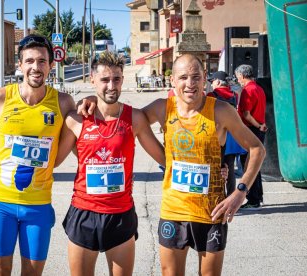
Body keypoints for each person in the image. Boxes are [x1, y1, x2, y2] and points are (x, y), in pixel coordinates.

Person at [78, 54, 251, 276]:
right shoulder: (162, 108)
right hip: (173, 211)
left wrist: (239, 192)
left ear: (205, 78)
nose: (190, 83)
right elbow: (125, 115)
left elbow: (257, 149)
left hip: (211, 212)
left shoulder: (221, 110)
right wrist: (94, 99)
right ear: (172, 81)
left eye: (196, 77)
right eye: (183, 77)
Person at [0, 34, 75, 275]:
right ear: (20, 65)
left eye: (41, 61)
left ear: (51, 65)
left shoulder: (63, 102)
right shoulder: (0, 97)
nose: (35, 68)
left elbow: (71, 145)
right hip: (0, 203)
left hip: (37, 205)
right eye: (29, 61)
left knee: (32, 273)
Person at [55, 51, 165, 276]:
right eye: (104, 80)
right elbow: (53, 161)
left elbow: (165, 158)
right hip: (84, 212)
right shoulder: (76, 120)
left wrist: (215, 167)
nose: (111, 86)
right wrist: (3, 163)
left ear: (123, 80)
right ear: (92, 80)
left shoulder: (134, 118)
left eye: (116, 79)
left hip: (120, 214)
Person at [207, 71, 246, 196]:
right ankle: (230, 197)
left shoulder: (211, 95)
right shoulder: (235, 94)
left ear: (218, 82)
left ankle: (219, 197)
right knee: (230, 169)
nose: (212, 84)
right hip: (234, 137)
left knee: (217, 168)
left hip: (219, 137)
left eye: (212, 81)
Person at [235, 64, 267, 210]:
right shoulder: (259, 88)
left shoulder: (248, 90)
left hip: (251, 130)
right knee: (256, 164)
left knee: (248, 165)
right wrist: (261, 124)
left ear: (241, 76)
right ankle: (257, 197)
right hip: (259, 127)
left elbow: (247, 114)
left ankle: (253, 199)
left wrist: (258, 125)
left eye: (237, 77)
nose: (238, 80)